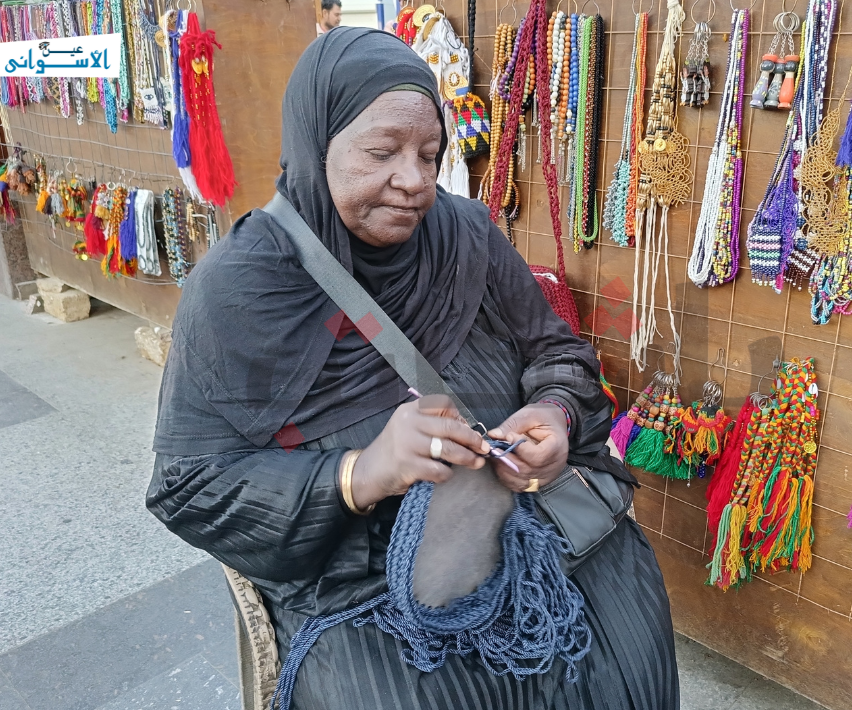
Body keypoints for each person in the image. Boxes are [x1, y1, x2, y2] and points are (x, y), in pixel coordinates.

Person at [146, 27, 678, 710]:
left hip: (529, 521)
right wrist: (360, 473)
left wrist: (551, 414)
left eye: (430, 155)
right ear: (317, 144)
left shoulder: (463, 235)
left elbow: (559, 353)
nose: (415, 182)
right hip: (358, 582)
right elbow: (188, 486)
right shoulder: (239, 288)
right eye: (381, 153)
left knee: (624, 626)